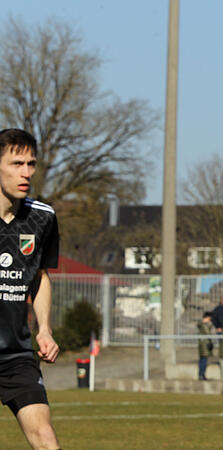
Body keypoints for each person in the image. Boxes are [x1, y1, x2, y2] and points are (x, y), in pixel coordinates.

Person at [0, 129, 61, 449]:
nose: (26, 172)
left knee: (44, 436)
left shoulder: (42, 218)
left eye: (31, 164)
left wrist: (45, 330)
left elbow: (39, 276)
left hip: (16, 355)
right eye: (16, 164)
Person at [197, 311, 215, 381]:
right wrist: (210, 324)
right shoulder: (205, 324)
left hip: (202, 343)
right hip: (205, 344)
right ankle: (202, 374)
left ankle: (201, 374)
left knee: (202, 359)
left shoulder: (201, 324)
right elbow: (207, 333)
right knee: (204, 360)